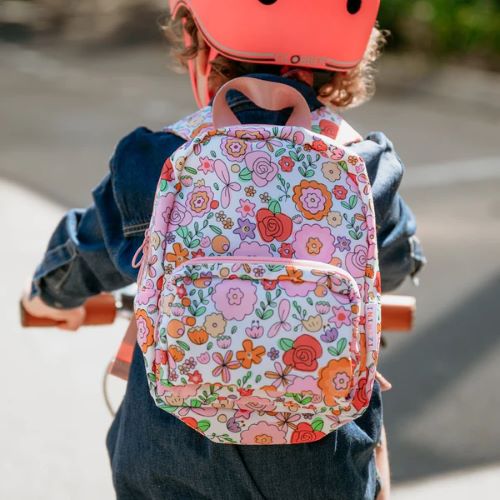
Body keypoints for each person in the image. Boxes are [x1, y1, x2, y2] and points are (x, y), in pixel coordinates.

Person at [22, 1, 424, 498]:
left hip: (169, 455)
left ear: (198, 39)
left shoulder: (158, 158)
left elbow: (86, 249)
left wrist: (48, 297)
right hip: (321, 459)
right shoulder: (364, 164)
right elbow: (396, 260)